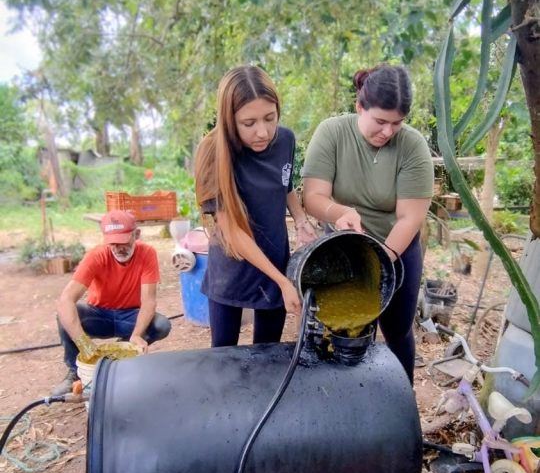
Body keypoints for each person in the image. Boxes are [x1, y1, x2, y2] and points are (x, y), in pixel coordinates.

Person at [302, 63, 434, 383]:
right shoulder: (332, 133)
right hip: (342, 249)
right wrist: (339, 212)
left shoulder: (412, 146)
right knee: (336, 329)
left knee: (398, 331)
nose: (388, 132)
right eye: (380, 121)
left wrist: (378, 264)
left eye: (397, 123)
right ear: (360, 107)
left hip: (396, 249)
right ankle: (339, 396)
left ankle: (402, 398)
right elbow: (313, 197)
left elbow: (410, 218)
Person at [194, 64, 317, 347]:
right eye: (249, 123)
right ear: (229, 120)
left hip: (275, 259)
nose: (263, 132)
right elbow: (232, 232)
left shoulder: (285, 139)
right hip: (231, 269)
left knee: (268, 353)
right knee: (224, 355)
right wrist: (283, 282)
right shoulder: (212, 152)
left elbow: (285, 184)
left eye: (269, 118)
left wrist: (301, 220)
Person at [52, 209, 171, 395]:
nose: (118, 248)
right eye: (113, 243)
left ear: (136, 234)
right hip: (99, 315)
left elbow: (148, 302)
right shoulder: (96, 255)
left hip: (129, 317)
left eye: (123, 241)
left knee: (161, 325)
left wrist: (137, 335)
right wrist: (82, 342)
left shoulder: (147, 253)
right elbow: (65, 299)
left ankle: (121, 358)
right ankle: (75, 373)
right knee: (65, 313)